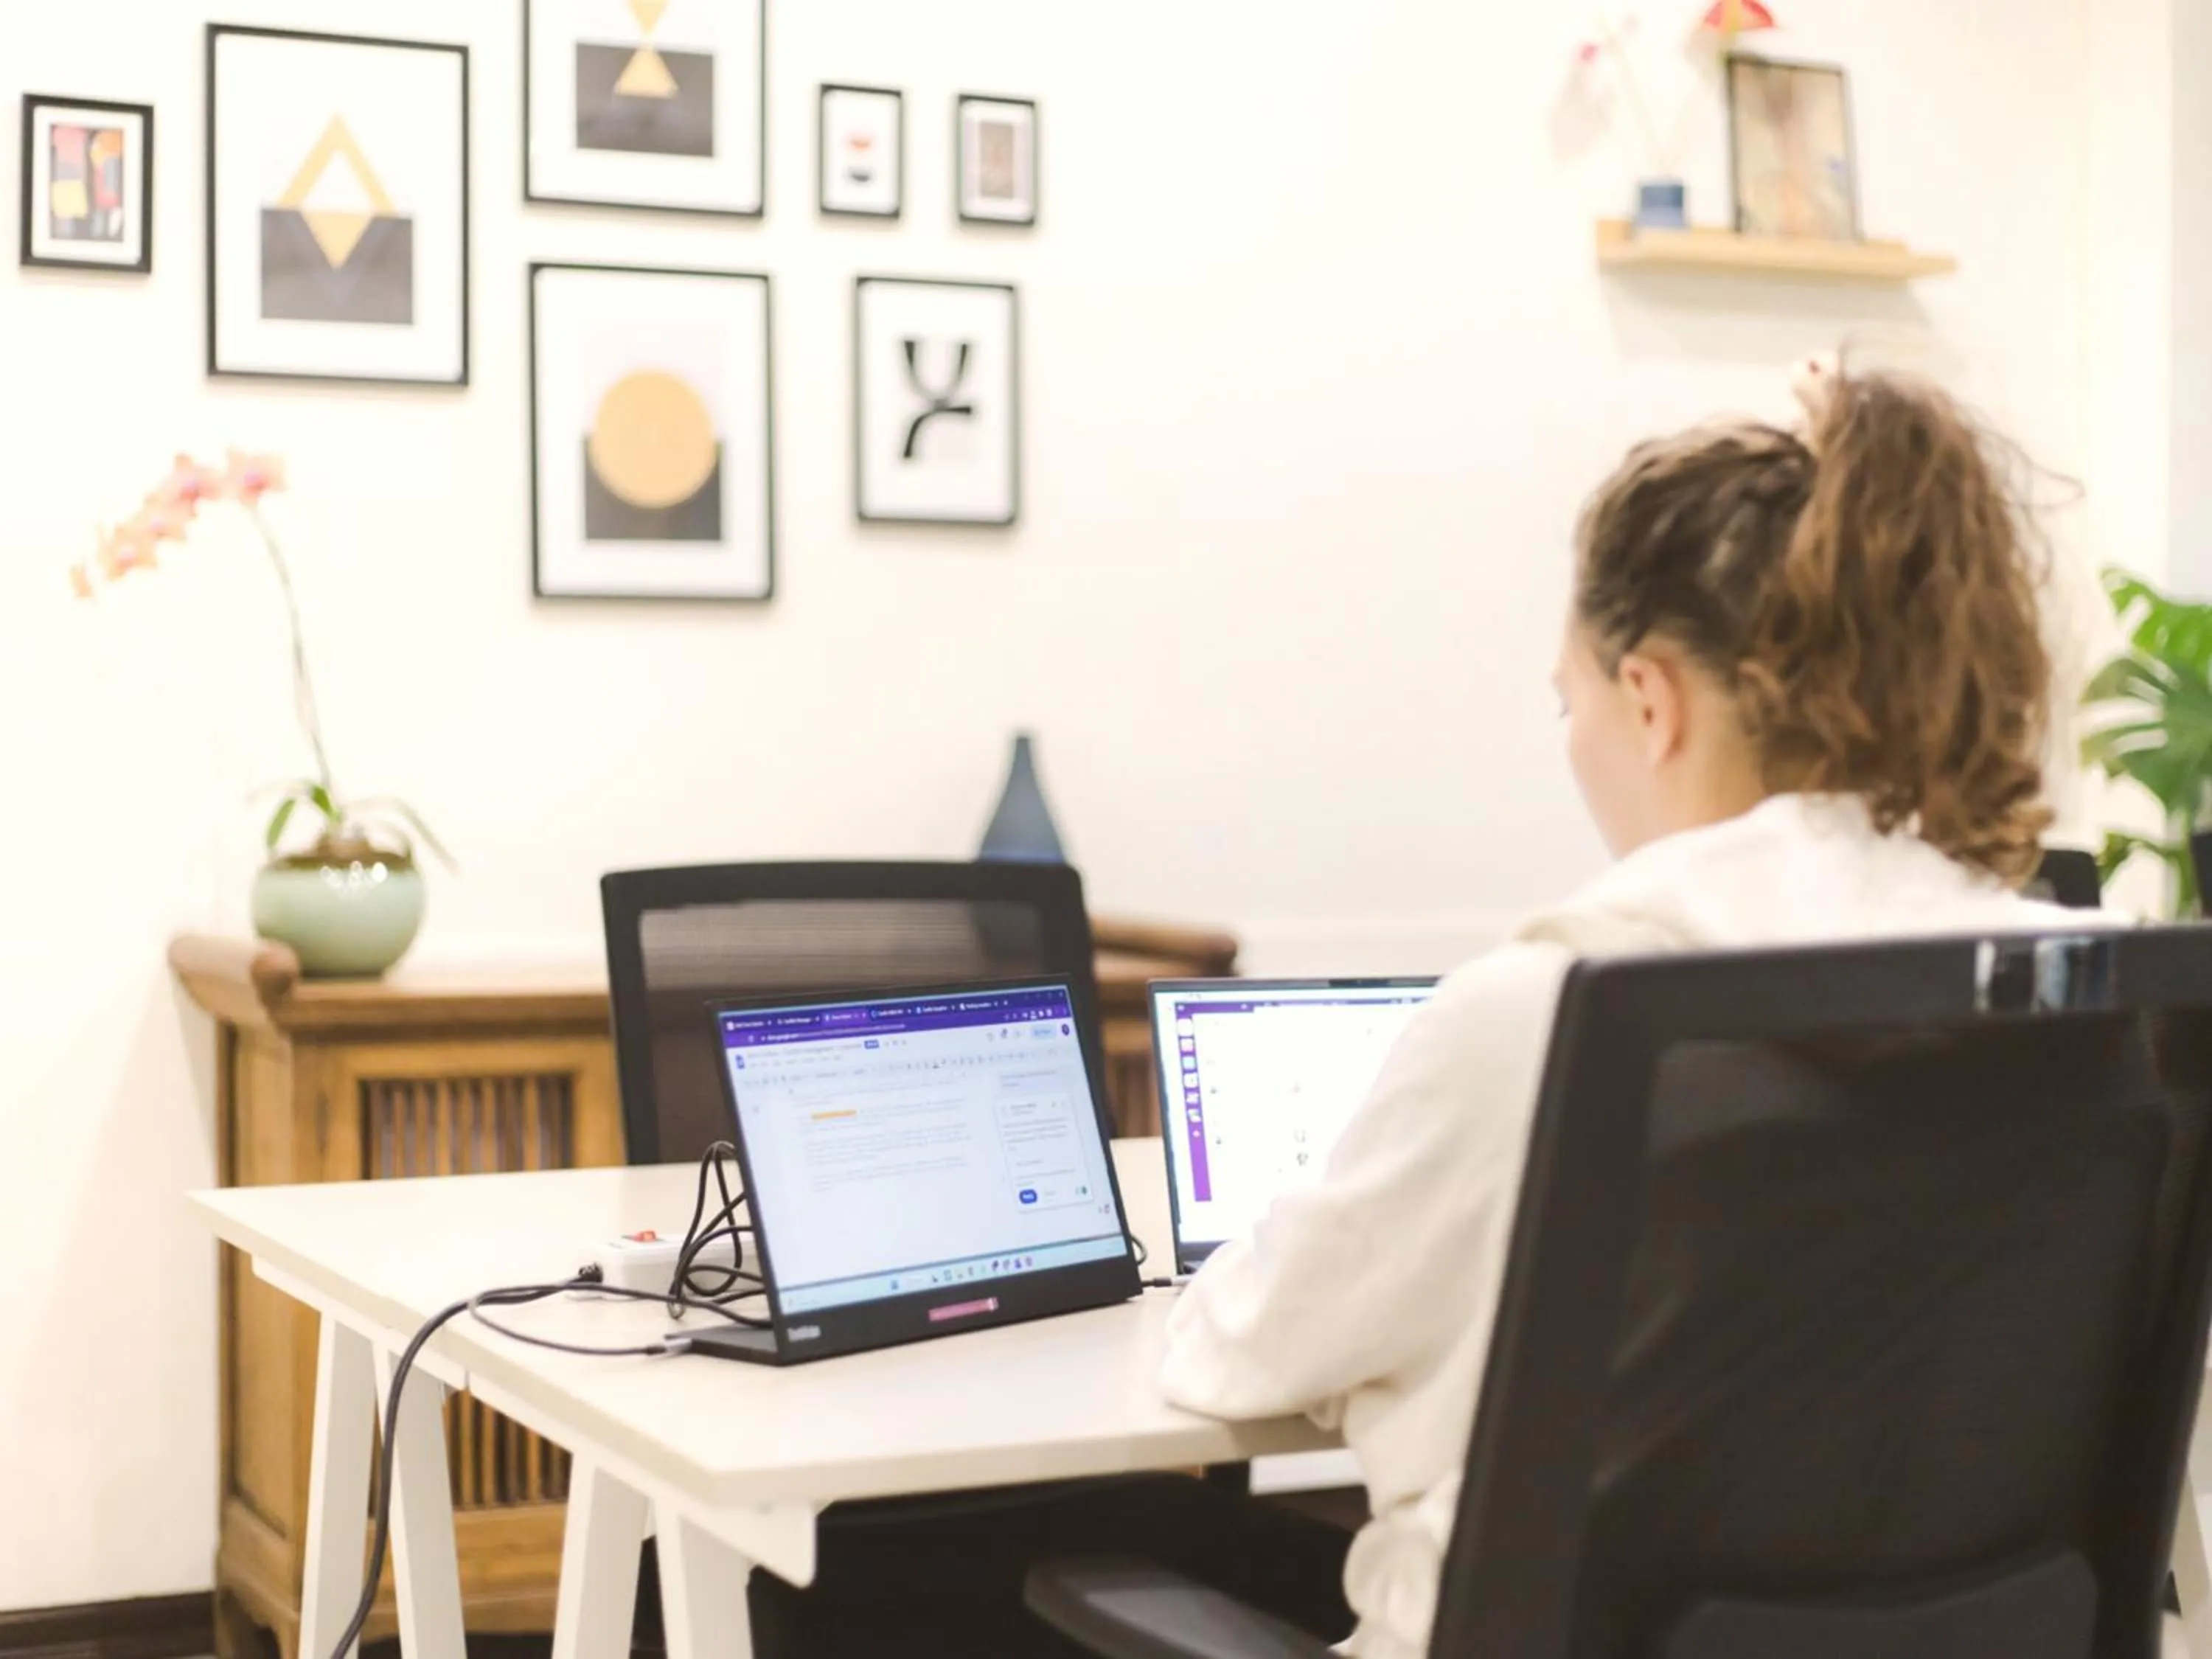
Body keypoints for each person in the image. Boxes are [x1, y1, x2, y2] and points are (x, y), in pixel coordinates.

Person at [1158, 357, 2109, 1659]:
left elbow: (1239, 1352)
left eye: (1573, 699)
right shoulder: (2083, 1012)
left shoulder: (1550, 1018)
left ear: (1650, 698)